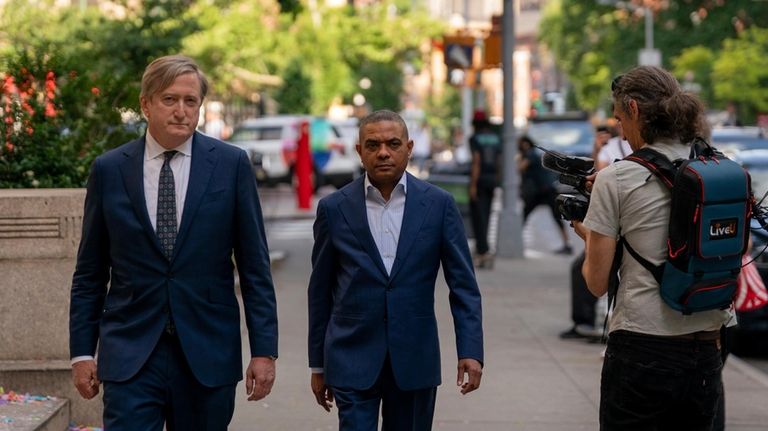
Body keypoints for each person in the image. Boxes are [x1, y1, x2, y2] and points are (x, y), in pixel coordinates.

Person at [69, 55, 278, 430]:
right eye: (170, 99)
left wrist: (264, 351)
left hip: (207, 351)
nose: (181, 111)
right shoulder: (110, 169)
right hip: (131, 352)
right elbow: (90, 272)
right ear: (145, 104)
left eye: (190, 101)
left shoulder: (231, 165)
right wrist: (82, 352)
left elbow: (254, 266)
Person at [573, 65, 732, 430]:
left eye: (619, 120)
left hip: (644, 346)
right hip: (708, 346)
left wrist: (590, 236)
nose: (623, 135)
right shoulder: (716, 166)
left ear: (633, 109)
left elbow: (596, 282)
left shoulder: (616, 177)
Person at [307, 110, 484, 430]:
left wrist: (470, 350)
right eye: (373, 145)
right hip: (351, 357)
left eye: (393, 143)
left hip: (415, 359)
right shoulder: (334, 209)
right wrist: (317, 364)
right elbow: (320, 291)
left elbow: (463, 286)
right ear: (359, 151)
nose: (383, 152)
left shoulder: (438, 205)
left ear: (409, 147)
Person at [517, 135, 573, 255]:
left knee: (527, 214)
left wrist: (519, 159)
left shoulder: (530, 154)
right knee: (553, 216)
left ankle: (567, 244)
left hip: (543, 190)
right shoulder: (533, 153)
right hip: (543, 190)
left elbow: (520, 167)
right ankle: (566, 244)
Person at [468, 110, 502, 268]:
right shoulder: (495, 138)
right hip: (491, 180)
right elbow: (498, 161)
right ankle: (484, 250)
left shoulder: (475, 138)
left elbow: (477, 161)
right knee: (487, 215)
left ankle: (482, 251)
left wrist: (473, 185)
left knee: (478, 216)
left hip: (480, 180)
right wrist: (497, 179)